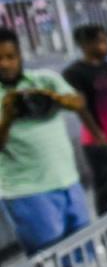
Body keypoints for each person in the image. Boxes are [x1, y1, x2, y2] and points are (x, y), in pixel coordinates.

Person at [0, 27, 90, 254]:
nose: (5, 64)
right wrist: (8, 117)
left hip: (68, 181)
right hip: (28, 192)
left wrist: (54, 98)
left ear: (20, 55)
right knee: (51, 264)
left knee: (83, 258)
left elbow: (79, 103)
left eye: (10, 57)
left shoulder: (44, 79)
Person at [62, 25, 107, 215]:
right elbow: (81, 108)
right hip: (96, 141)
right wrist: (98, 135)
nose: (106, 46)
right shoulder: (75, 72)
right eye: (100, 41)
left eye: (106, 41)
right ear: (85, 45)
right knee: (104, 186)